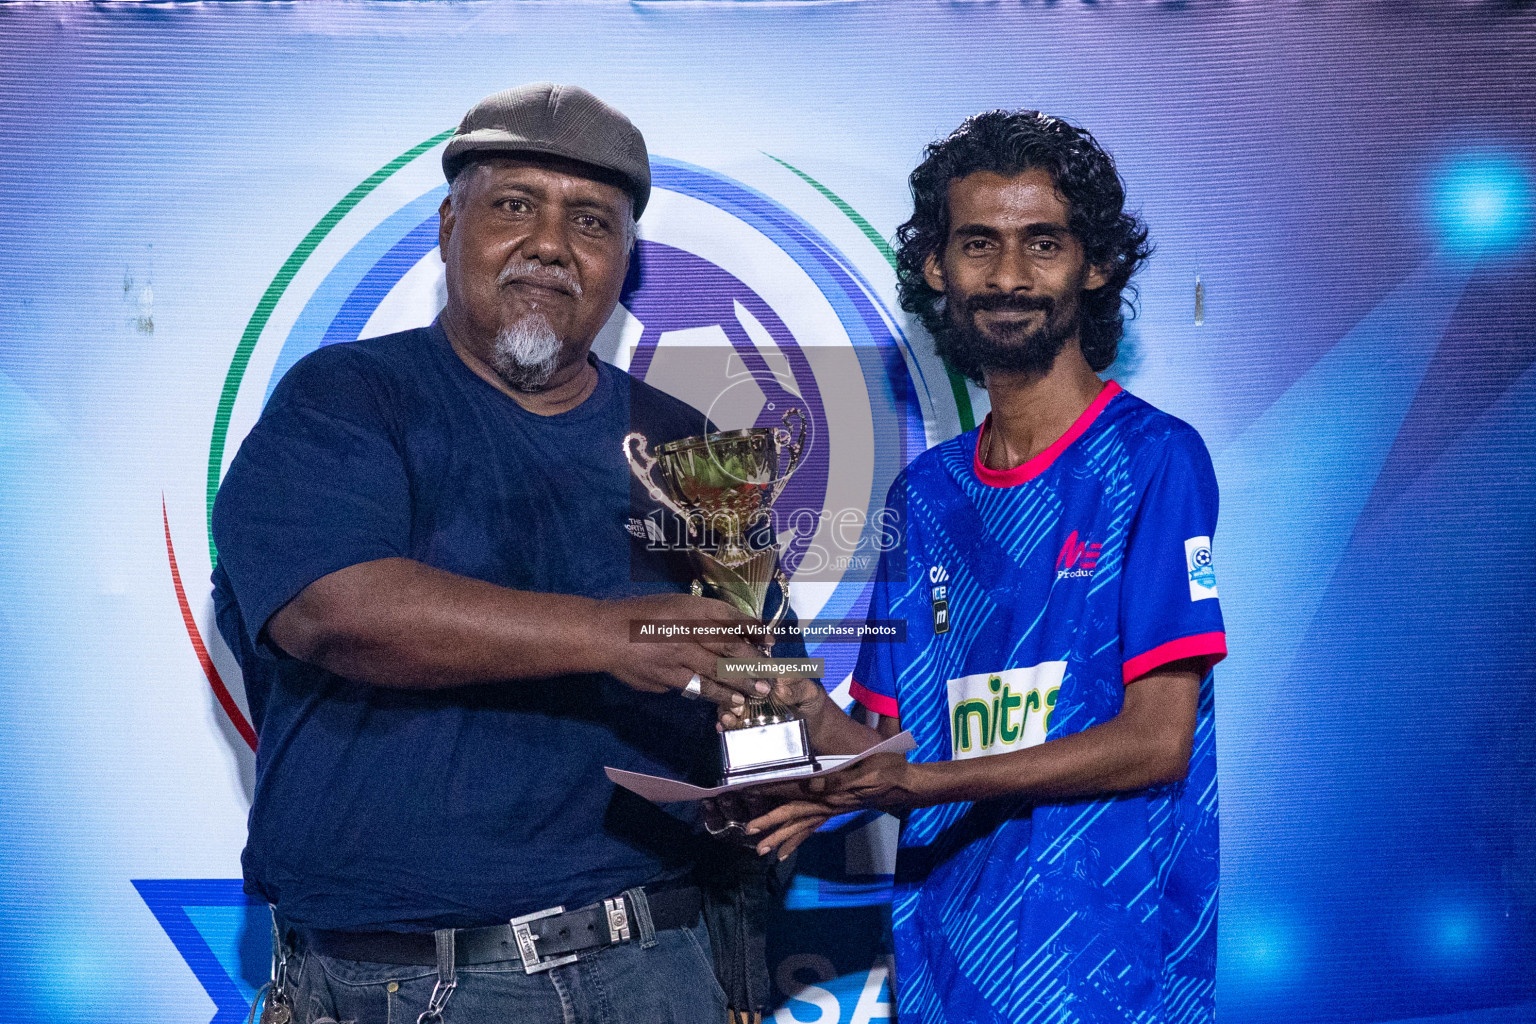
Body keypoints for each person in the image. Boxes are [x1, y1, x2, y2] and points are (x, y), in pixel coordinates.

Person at [211, 83, 778, 1024]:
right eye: (515, 205)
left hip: (653, 968)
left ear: (623, 263)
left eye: (591, 222)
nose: (551, 244)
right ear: (447, 226)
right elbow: (334, 609)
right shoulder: (346, 398)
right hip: (396, 980)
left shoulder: (699, 450)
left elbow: (764, 689)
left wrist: (834, 757)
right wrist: (610, 634)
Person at [728, 111, 1228, 1022]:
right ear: (935, 269)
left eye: (1042, 243)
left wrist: (920, 785)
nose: (1007, 277)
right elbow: (890, 747)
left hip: (1102, 971)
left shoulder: (1154, 458)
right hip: (943, 964)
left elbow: (1157, 742)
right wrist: (797, 716)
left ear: (1097, 263)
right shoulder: (925, 494)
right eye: (977, 245)